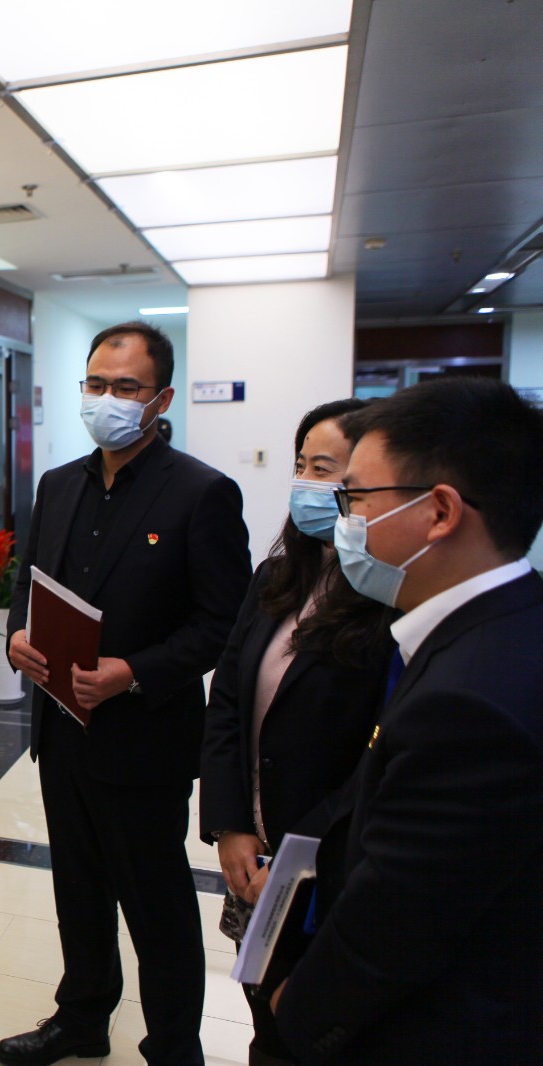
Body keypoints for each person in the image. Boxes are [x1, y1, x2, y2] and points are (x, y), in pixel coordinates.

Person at [0, 321, 251, 1066]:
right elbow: (27, 585)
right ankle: (81, 1017)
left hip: (145, 740)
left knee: (156, 905)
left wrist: (133, 671)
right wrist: (16, 635)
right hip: (62, 731)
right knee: (77, 891)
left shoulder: (201, 493)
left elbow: (223, 625)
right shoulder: (58, 484)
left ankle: (173, 1046)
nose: (106, 399)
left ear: (161, 399)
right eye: (96, 384)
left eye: (125, 387)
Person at [271, 378, 543, 1064]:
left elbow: (400, 919)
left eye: (357, 497)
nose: (344, 518)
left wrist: (298, 1012)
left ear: (440, 511)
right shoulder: (504, 624)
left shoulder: (469, 703)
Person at [198, 399, 394, 1066]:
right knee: (265, 1020)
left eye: (325, 469)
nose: (306, 481)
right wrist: (230, 825)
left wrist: (296, 855)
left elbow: (375, 755)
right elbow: (228, 699)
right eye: (301, 464)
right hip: (252, 853)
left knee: (317, 1029)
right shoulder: (276, 576)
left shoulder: (391, 599)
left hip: (328, 864)